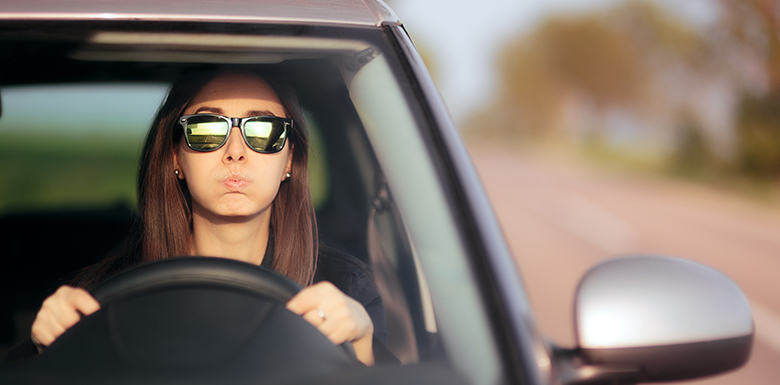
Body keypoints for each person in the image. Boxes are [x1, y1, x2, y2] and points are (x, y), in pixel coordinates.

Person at [9, 68, 391, 366]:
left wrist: (362, 352)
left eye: (263, 129)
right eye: (207, 129)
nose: (236, 151)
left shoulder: (344, 291)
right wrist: (44, 353)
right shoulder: (101, 298)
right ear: (176, 158)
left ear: (289, 159)